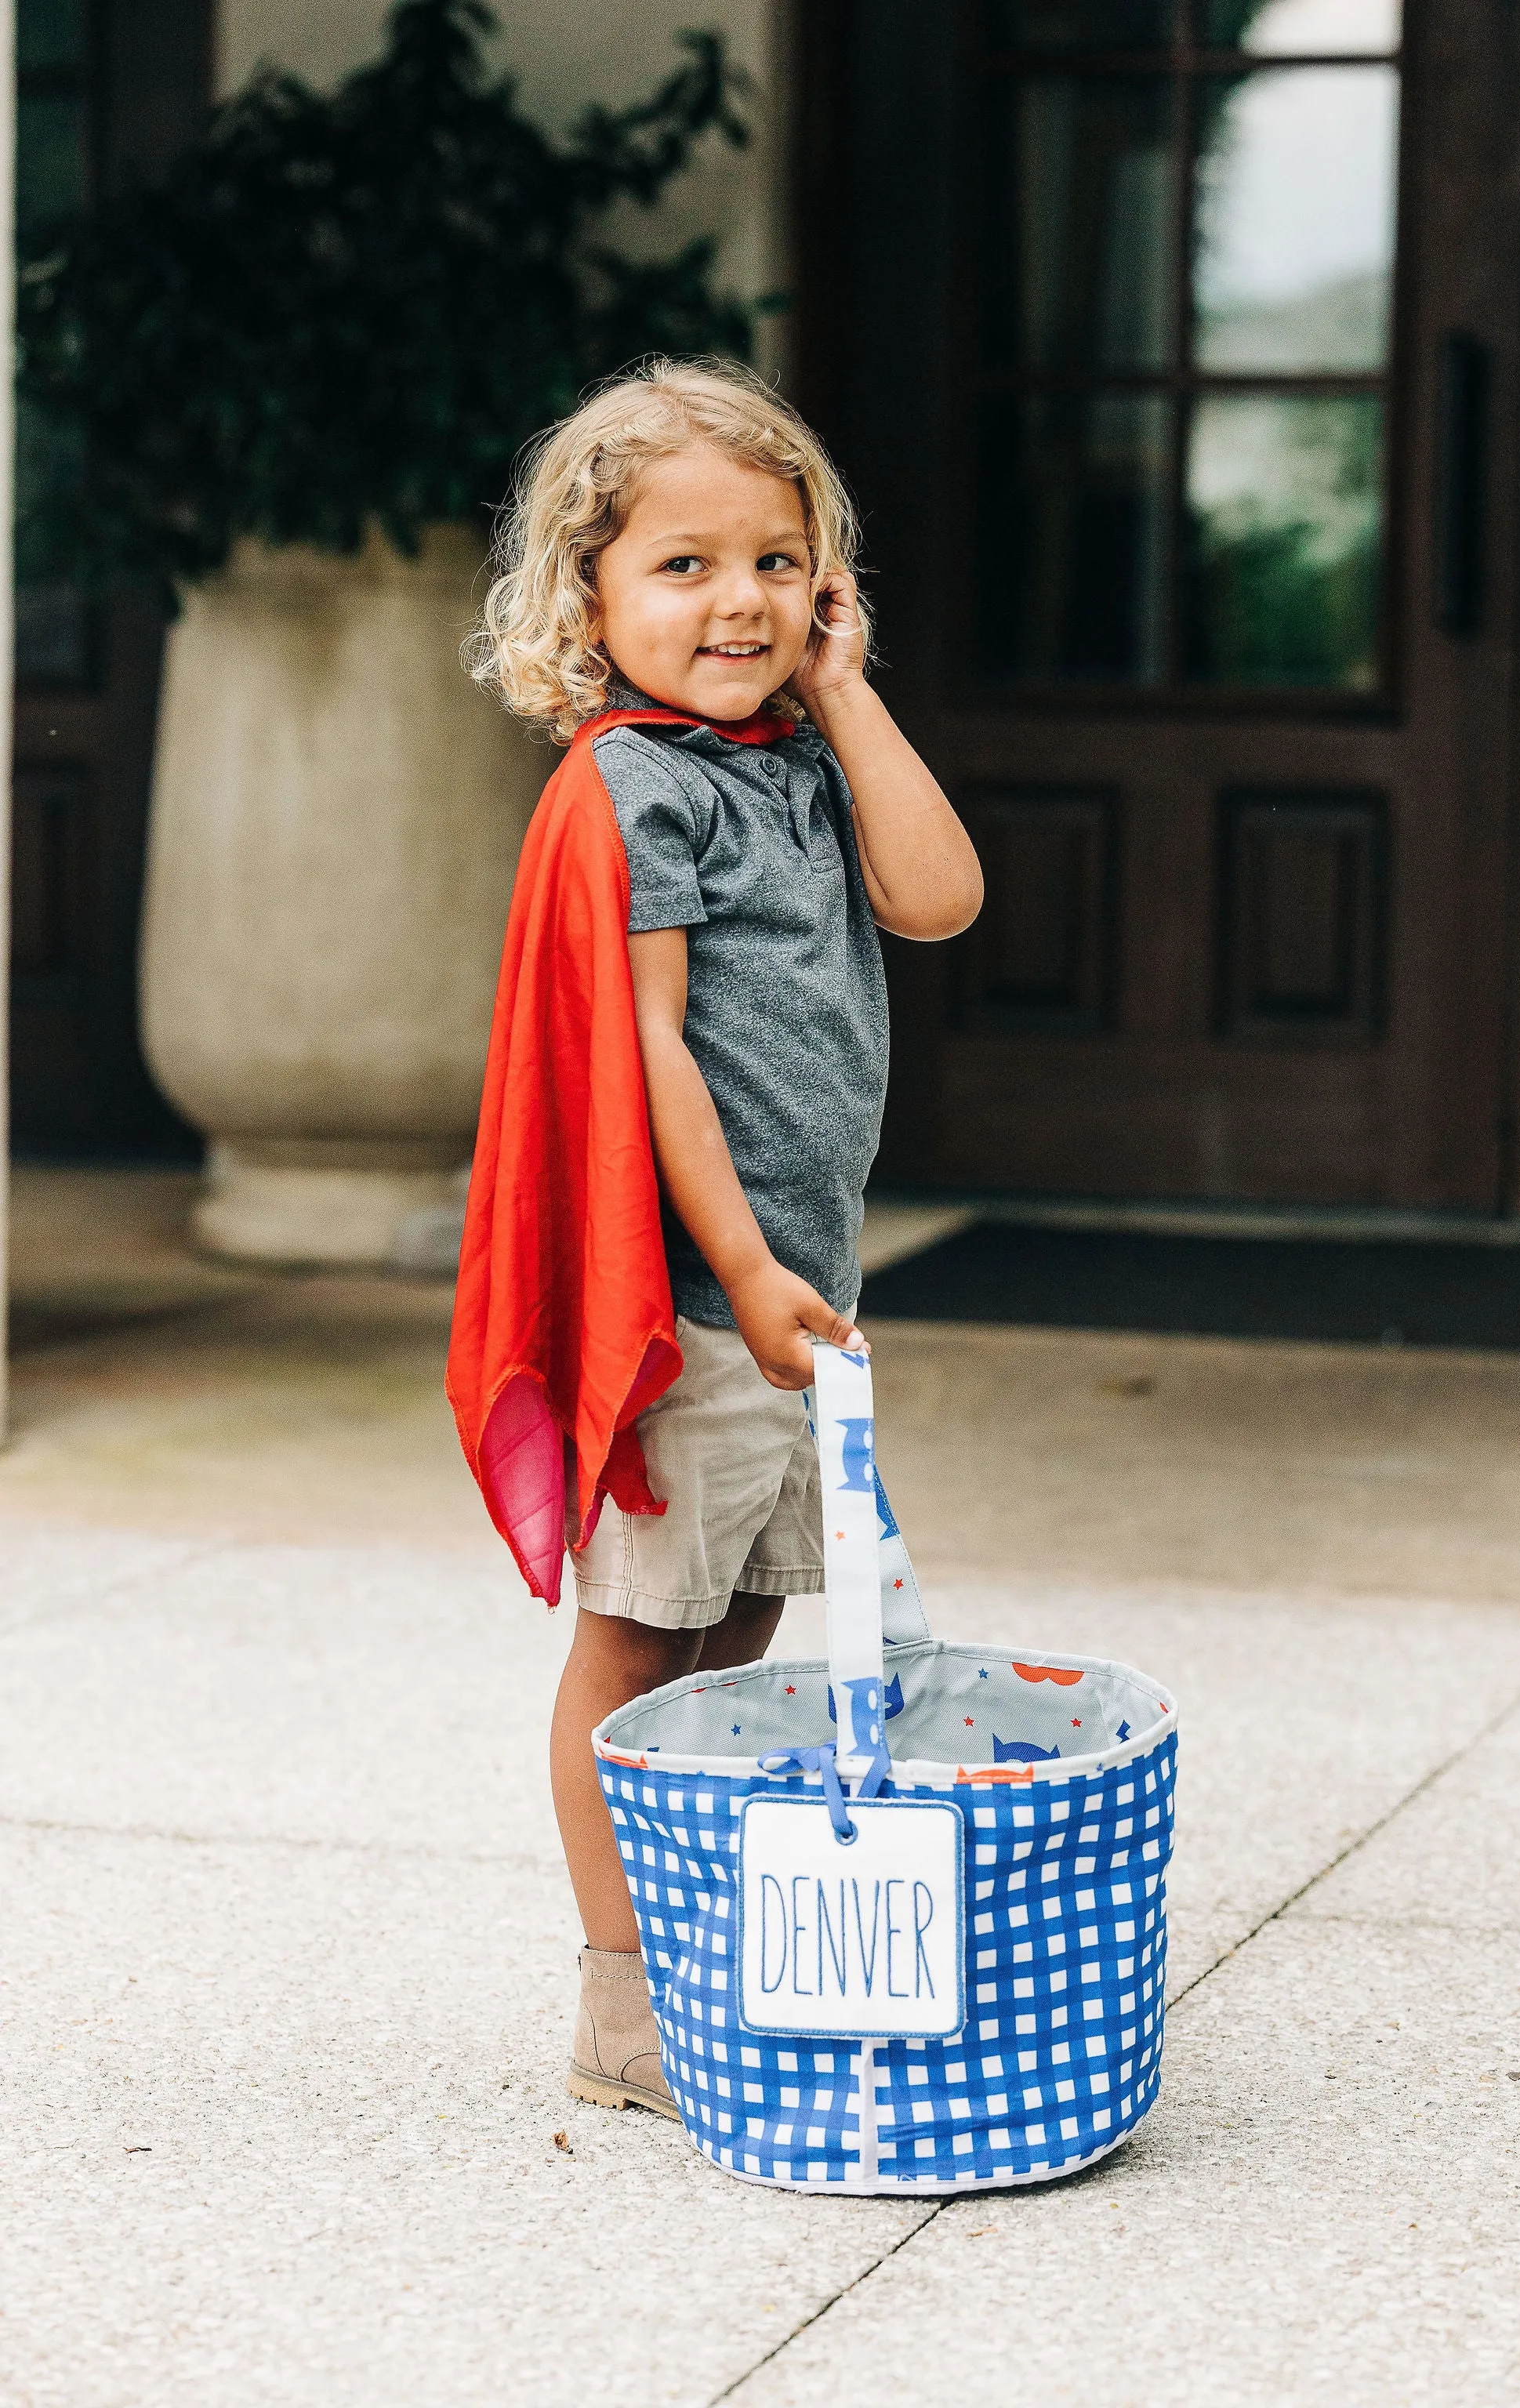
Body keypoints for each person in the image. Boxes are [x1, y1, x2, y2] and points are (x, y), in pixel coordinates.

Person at [459, 359, 982, 2116]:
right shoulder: (638, 786)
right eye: (681, 566)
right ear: (587, 599)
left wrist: (846, 695)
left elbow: (937, 896)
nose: (737, 601)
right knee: (634, 1644)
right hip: (690, 1299)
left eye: (775, 562)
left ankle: (690, 1950)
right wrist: (745, 1276)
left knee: (742, 1631)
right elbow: (648, 1049)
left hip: (788, 1294)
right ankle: (623, 2003)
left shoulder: (790, 758)